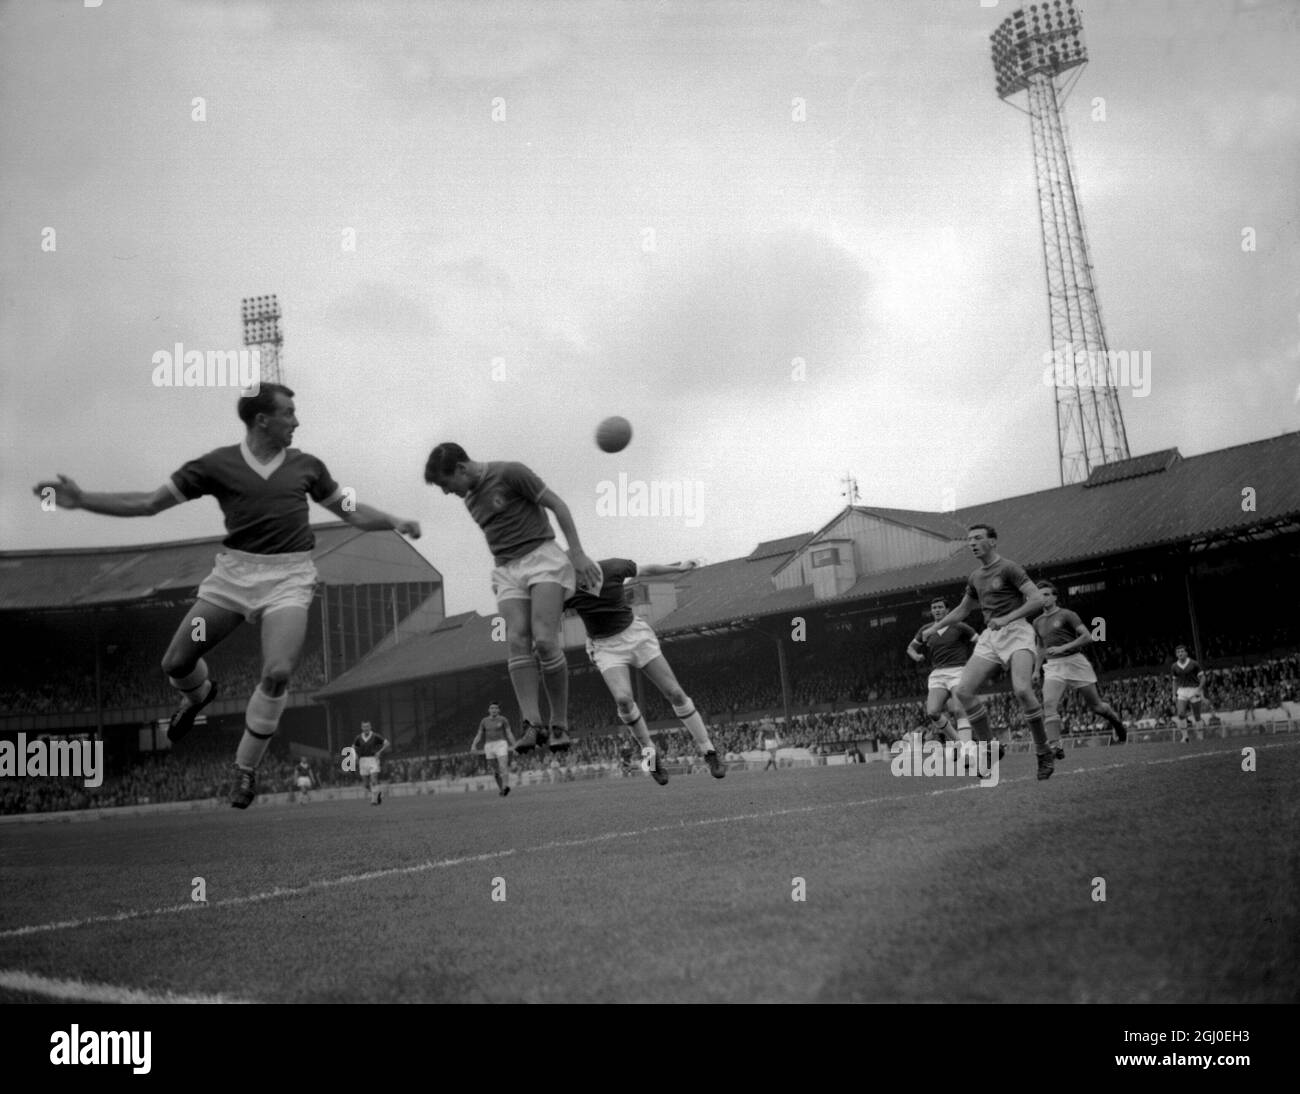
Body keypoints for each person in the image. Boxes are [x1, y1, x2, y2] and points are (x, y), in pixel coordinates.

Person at [33, 384, 420, 809]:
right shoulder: (216, 465)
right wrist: (83, 499)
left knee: (277, 672)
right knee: (176, 662)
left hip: (289, 578)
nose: (297, 420)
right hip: (233, 580)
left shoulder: (308, 466)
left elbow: (350, 509)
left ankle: (244, 768)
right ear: (262, 420)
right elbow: (147, 503)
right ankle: (199, 695)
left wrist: (394, 519)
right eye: (289, 412)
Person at [423, 443, 601, 755]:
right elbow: (499, 537)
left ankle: (559, 724)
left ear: (461, 469)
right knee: (517, 639)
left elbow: (558, 505)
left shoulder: (510, 472)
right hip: (507, 570)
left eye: (445, 484)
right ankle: (532, 725)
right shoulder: (470, 501)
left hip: (542, 558)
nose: (447, 492)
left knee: (545, 641)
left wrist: (578, 553)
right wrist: (500, 579)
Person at [565, 558, 726, 784]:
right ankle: (650, 757)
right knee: (623, 699)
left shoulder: (613, 567)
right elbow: (540, 611)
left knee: (676, 693)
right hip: (605, 646)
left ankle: (709, 751)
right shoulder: (566, 590)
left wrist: (677, 567)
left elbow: (646, 569)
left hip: (636, 635)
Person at [923, 524, 1052, 779]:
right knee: (963, 691)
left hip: (1016, 632)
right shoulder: (975, 577)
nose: (972, 543)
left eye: (978, 538)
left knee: (1023, 691)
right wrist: (934, 628)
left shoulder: (1009, 568)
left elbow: (1037, 599)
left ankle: (1043, 751)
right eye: (969, 539)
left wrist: (1006, 619)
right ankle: (991, 747)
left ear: (992, 542)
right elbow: (962, 610)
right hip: (992, 636)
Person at [1031, 581, 1127, 753]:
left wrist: (1063, 647)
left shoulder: (1067, 615)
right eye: (1040, 595)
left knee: (1096, 706)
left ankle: (1116, 722)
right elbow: (1040, 647)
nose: (1043, 598)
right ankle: (1055, 745)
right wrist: (1036, 669)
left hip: (1075, 662)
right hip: (1053, 666)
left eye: (1046, 594)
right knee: (1049, 704)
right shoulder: (1037, 622)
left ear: (1054, 597)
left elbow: (1088, 636)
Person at [906, 596, 977, 745]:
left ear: (947, 610)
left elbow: (979, 641)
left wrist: (975, 661)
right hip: (938, 674)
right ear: (931, 611)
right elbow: (910, 648)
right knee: (933, 712)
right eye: (934, 608)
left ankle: (967, 751)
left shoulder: (959, 626)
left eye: (940, 607)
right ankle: (959, 741)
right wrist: (916, 655)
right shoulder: (926, 630)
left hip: (958, 671)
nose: (937, 610)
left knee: (959, 710)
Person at [471, 702, 517, 796]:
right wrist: (473, 745)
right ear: (489, 710)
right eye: (492, 708)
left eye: (496, 708)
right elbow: (479, 734)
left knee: (503, 766)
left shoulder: (503, 719)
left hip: (501, 743)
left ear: (498, 710)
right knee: (495, 770)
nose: (494, 710)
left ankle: (505, 787)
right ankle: (501, 789)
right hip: (489, 745)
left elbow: (509, 733)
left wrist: (515, 745)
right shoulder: (484, 721)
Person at [1171, 644, 1207, 742]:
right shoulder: (1174, 666)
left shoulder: (1194, 664)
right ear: (1176, 654)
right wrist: (1174, 694)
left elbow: (1203, 677)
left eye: (1182, 651)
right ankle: (1185, 736)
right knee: (1181, 713)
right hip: (1182, 691)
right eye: (1178, 652)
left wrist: (1199, 689)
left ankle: (1200, 736)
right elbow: (1174, 681)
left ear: (1186, 653)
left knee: (1197, 715)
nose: (1180, 653)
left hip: (1194, 689)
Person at [353, 720, 389, 804]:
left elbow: (387, 743)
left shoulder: (375, 736)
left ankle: (374, 800)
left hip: (373, 760)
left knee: (373, 780)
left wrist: (379, 752)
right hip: (363, 761)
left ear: (370, 727)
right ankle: (378, 792)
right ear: (361, 728)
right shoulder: (358, 738)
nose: (366, 728)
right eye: (364, 727)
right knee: (366, 784)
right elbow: (353, 746)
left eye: (367, 726)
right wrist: (355, 755)